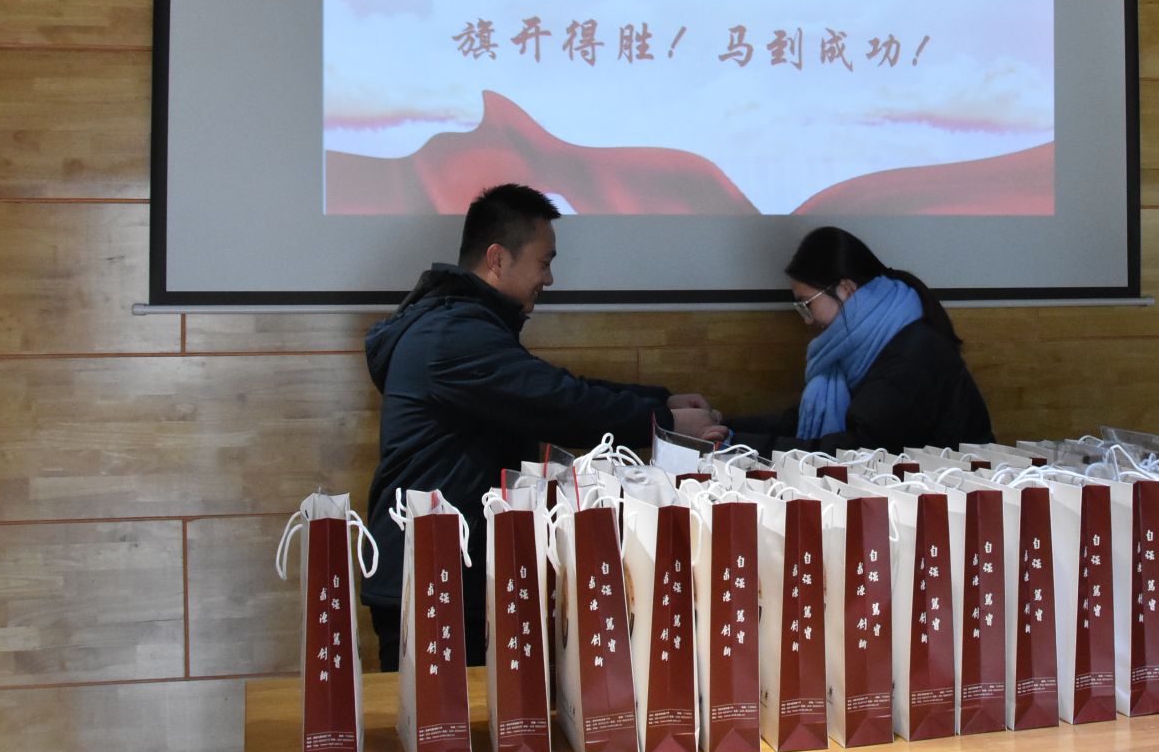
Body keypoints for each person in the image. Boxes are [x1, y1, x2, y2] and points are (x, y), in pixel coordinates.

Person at [360, 183, 727, 671]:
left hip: (451, 573)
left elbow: (551, 386)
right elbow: (560, 403)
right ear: (497, 258)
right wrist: (667, 422)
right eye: (544, 262)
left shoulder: (461, 325)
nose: (549, 278)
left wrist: (661, 403)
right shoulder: (452, 335)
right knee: (444, 719)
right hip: (435, 582)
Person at [729, 226, 993, 456]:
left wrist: (734, 443)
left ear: (846, 289)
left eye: (807, 304)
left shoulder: (911, 356)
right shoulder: (865, 344)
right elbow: (799, 421)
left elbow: (860, 452)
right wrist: (724, 428)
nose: (807, 320)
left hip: (948, 490)